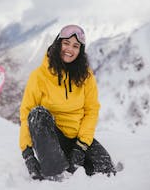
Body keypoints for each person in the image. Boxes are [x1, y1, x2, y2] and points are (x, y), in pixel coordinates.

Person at [19, 24, 116, 180]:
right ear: (58, 44)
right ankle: (55, 172)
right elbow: (26, 114)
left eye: (75, 46)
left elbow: (91, 111)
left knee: (107, 170)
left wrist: (81, 146)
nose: (70, 49)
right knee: (36, 114)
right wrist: (28, 154)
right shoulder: (39, 76)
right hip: (50, 136)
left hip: (76, 138)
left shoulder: (86, 77)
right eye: (66, 43)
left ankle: (69, 167)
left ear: (80, 51)